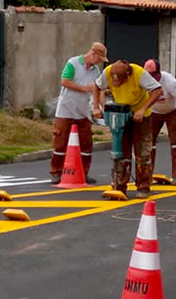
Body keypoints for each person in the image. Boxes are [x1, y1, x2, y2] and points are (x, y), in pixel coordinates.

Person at [93, 59, 163, 197]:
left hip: (140, 116)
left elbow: (157, 90)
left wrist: (143, 109)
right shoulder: (107, 72)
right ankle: (119, 185)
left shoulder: (138, 73)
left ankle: (143, 187)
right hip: (121, 113)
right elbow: (96, 87)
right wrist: (96, 107)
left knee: (142, 153)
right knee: (120, 151)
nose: (116, 83)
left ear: (127, 76)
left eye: (119, 81)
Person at [51, 41, 108, 184]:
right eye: (99, 59)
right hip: (66, 109)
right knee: (60, 141)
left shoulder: (95, 71)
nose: (99, 62)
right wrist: (84, 89)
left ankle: (83, 171)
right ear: (93, 54)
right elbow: (65, 81)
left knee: (86, 142)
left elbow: (98, 90)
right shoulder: (73, 63)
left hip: (83, 111)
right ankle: (56, 172)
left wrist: (102, 106)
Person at [143, 59, 176, 181]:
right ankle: (147, 176)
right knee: (150, 144)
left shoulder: (169, 81)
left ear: (158, 73)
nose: (150, 78)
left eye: (152, 75)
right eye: (148, 75)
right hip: (154, 113)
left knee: (175, 144)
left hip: (171, 112)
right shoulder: (143, 81)